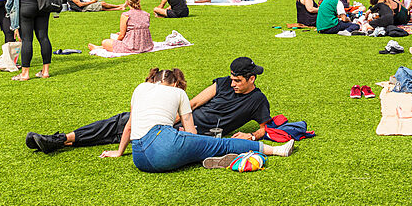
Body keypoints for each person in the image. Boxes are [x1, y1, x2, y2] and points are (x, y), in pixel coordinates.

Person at [98, 67, 293, 171]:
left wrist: (118, 151)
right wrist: (193, 139)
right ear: (175, 83)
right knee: (222, 144)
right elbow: (191, 132)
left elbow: (130, 126)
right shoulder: (179, 94)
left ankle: (210, 158)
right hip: (163, 146)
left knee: (191, 148)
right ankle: (276, 151)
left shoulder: (140, 88)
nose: (232, 83)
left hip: (140, 159)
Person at [88, 0, 153, 54]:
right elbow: (139, 28)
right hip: (146, 45)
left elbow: (122, 35)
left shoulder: (126, 15)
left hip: (132, 46)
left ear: (128, 3)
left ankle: (98, 48)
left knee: (105, 42)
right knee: (114, 39)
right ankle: (98, 47)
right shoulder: (146, 14)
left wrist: (116, 41)